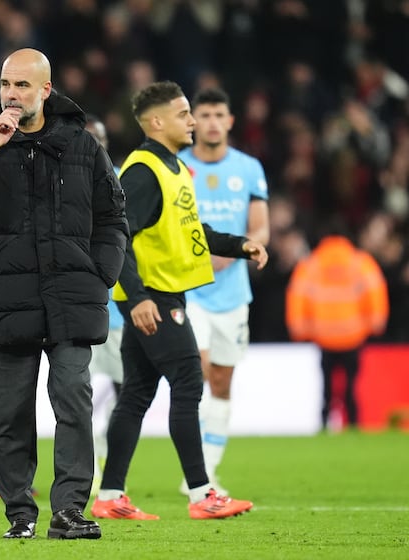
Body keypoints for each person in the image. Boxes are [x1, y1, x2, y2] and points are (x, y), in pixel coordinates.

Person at [0, 48, 129, 540]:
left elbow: (113, 216)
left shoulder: (83, 146)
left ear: (45, 90)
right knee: (9, 412)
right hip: (5, 299)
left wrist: (100, 274)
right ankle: (20, 512)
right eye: (5, 85)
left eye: (22, 86)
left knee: (74, 400)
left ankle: (69, 511)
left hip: (69, 297)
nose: (12, 95)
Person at [89, 81, 265, 521]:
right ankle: (202, 493)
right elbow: (115, 235)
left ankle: (110, 496)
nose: (192, 121)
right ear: (156, 122)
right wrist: (137, 298)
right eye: (185, 113)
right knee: (188, 382)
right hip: (156, 298)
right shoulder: (145, 169)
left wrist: (240, 244)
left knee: (135, 396)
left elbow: (192, 231)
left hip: (161, 294)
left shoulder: (171, 169)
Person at [177, 87, 270, 495]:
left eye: (220, 115)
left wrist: (237, 252)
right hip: (190, 289)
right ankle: (198, 473)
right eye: (206, 115)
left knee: (222, 381)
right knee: (197, 372)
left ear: (230, 121)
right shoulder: (177, 166)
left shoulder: (248, 168)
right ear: (194, 122)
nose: (213, 122)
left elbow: (261, 226)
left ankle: (208, 472)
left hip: (233, 294)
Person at [285, 230, 389, 431]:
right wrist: (375, 325)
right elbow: (376, 294)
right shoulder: (361, 262)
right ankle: (353, 425)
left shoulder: (310, 264)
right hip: (354, 335)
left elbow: (297, 297)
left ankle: (325, 425)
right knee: (352, 386)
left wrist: (300, 329)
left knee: (326, 388)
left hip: (323, 337)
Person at [83, 114, 124, 496]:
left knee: (123, 390)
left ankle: (109, 465)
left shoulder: (121, 180)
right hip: (79, 307)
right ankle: (87, 467)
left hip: (118, 311)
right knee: (80, 391)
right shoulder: (63, 180)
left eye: (98, 138)